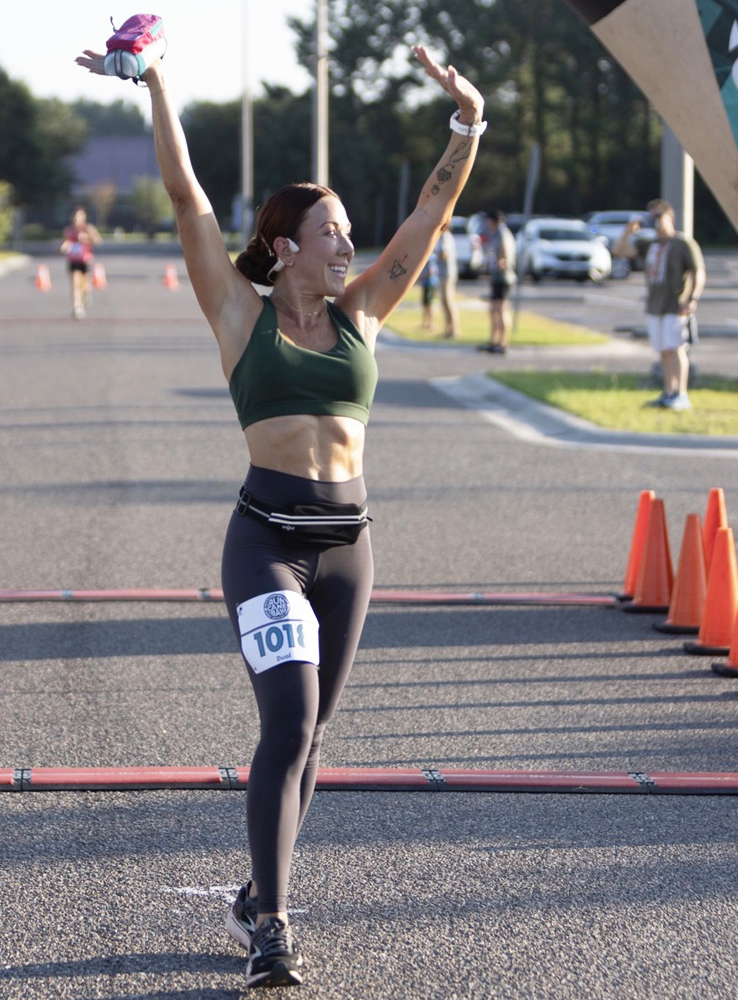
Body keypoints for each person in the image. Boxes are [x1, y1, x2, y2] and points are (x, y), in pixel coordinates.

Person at [78, 31, 484, 990]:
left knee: (315, 741)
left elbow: (432, 209)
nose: (349, 243)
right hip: (265, 545)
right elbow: (187, 196)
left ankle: (256, 895)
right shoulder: (238, 314)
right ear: (285, 245)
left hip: (349, 547)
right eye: (333, 231)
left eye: (349, 232)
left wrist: (468, 118)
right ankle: (274, 926)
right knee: (289, 727)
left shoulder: (364, 313)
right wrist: (158, 83)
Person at [613, 199, 705, 410]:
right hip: (655, 306)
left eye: (658, 217)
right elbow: (619, 250)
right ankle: (668, 391)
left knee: (676, 348)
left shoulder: (682, 243)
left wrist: (693, 298)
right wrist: (629, 230)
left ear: (670, 218)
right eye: (651, 217)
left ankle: (681, 394)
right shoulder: (650, 244)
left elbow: (697, 271)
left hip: (676, 305)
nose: (654, 222)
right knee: (663, 350)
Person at [478, 209, 516, 354]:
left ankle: (503, 343)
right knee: (493, 310)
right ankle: (494, 340)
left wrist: (501, 260)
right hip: (496, 277)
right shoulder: (494, 233)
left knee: (501, 310)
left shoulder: (502, 233)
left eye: (488, 220)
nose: (486, 224)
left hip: (503, 278)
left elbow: (504, 250)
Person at [60, 206, 102, 318]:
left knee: (84, 285)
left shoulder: (88, 228)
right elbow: (65, 243)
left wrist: (87, 238)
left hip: (85, 259)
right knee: (75, 283)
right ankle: (77, 307)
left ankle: (86, 295)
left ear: (83, 217)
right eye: (75, 216)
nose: (76, 219)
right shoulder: (69, 230)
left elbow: (98, 241)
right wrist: (64, 247)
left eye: (79, 216)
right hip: (73, 259)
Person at [436, 225, 461, 338]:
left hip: (446, 273)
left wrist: (432, 253)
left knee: (448, 302)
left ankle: (454, 329)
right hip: (445, 273)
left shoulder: (445, 237)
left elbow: (444, 254)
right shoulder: (445, 236)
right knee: (444, 302)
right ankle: (448, 328)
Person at [418, 252, 440, 329]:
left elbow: (431, 270)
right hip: (426, 283)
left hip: (430, 283)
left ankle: (431, 324)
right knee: (425, 304)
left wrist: (422, 275)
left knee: (430, 304)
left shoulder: (430, 256)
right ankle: (425, 323)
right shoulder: (428, 255)